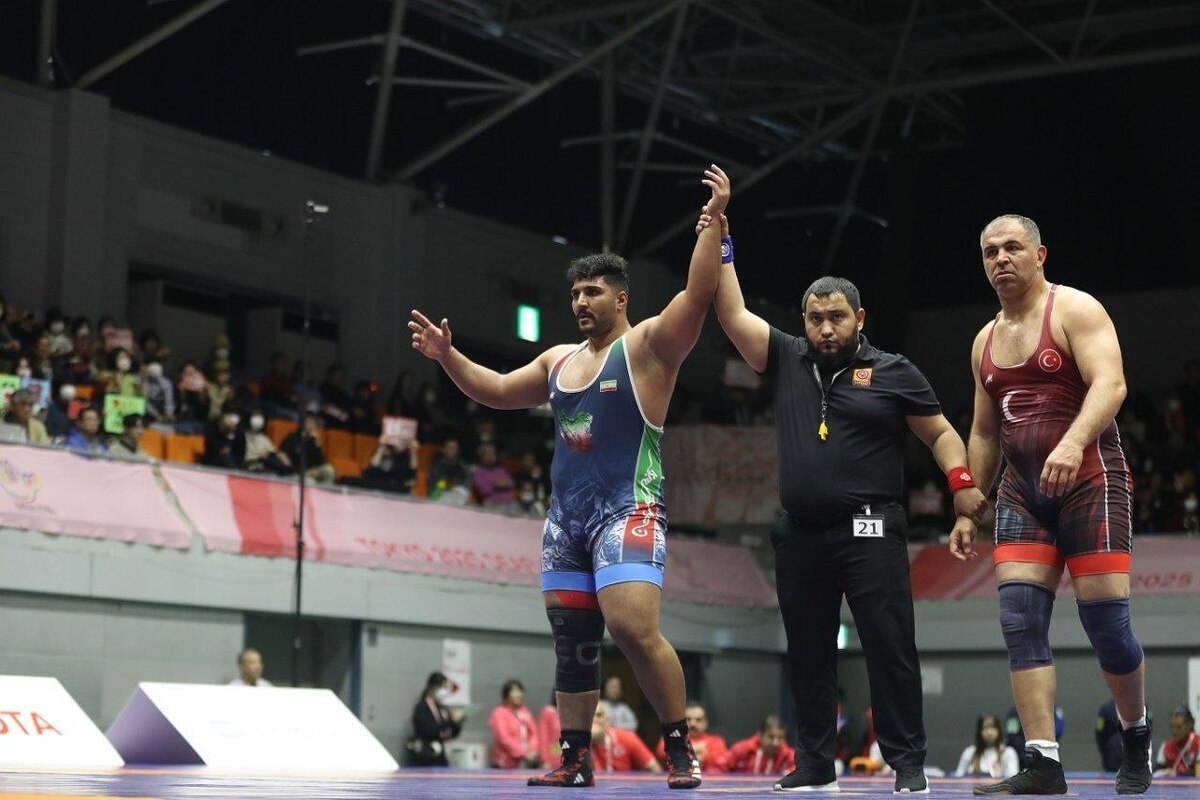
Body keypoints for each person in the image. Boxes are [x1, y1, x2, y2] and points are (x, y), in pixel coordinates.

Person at [409, 165, 731, 790]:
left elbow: (696, 296)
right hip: (567, 521)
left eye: (594, 292)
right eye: (576, 293)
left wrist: (713, 224)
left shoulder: (647, 349)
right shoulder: (558, 360)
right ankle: (575, 759)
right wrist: (448, 356)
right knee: (574, 643)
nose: (581, 302)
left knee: (633, 629)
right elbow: (497, 390)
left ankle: (678, 746)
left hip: (627, 510)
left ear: (621, 299)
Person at [699, 210, 987, 793]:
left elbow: (941, 434)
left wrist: (962, 488)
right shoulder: (786, 358)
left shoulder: (893, 371)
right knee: (808, 652)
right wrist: (723, 241)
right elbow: (731, 314)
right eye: (815, 319)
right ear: (803, 321)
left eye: (836, 318)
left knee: (889, 645)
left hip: (871, 531)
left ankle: (907, 763)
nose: (825, 329)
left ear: (860, 318)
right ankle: (814, 763)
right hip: (800, 534)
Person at [953, 215, 1151, 796]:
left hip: (1091, 480)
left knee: (1106, 625)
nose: (1000, 259)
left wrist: (1072, 441)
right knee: (1019, 621)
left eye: (1013, 247)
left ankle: (1135, 735)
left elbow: (1111, 384)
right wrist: (967, 507)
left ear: (1040, 254)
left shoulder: (1075, 310)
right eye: (990, 251)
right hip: (1023, 492)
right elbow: (984, 431)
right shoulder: (983, 341)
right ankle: (1043, 762)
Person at [406, 671, 464, 767]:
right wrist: (450, 722)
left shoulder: (442, 709)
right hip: (425, 756)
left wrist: (457, 723)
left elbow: (450, 732)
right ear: (432, 687)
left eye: (446, 688)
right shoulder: (422, 707)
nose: (445, 691)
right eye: (443, 687)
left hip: (440, 757)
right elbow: (430, 730)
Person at [654, 701, 726, 771]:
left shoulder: (716, 741)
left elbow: (720, 759)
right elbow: (661, 751)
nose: (693, 724)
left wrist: (683, 752)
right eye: (688, 719)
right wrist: (695, 750)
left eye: (698, 720)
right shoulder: (671, 738)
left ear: (705, 722)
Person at [590, 702, 660, 773]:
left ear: (608, 720)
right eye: (589, 716)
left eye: (599, 715)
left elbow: (655, 769)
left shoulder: (627, 738)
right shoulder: (582, 742)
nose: (594, 719)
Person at [717, 715, 796, 776]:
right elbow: (718, 768)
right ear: (760, 735)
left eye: (780, 738)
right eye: (771, 737)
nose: (775, 743)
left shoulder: (789, 756)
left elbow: (798, 773)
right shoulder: (742, 750)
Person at [488, 679, 540, 769]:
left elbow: (534, 733)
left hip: (526, 763)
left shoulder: (525, 711)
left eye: (520, 691)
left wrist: (532, 750)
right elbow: (503, 738)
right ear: (506, 694)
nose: (518, 694)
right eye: (514, 691)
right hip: (504, 764)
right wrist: (523, 753)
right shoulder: (499, 712)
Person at [955, 714, 1020, 779]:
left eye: (993, 728)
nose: (989, 732)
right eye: (985, 728)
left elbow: (1013, 779)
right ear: (980, 731)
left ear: (999, 731)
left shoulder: (1008, 753)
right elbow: (958, 778)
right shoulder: (969, 752)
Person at [1154, 706, 1198, 777]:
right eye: (1172, 727)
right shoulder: (1166, 746)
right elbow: (1156, 772)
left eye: (1179, 727)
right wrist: (1165, 772)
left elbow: (1198, 775)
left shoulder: (1198, 744)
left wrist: (1178, 774)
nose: (1174, 731)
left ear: (1189, 725)